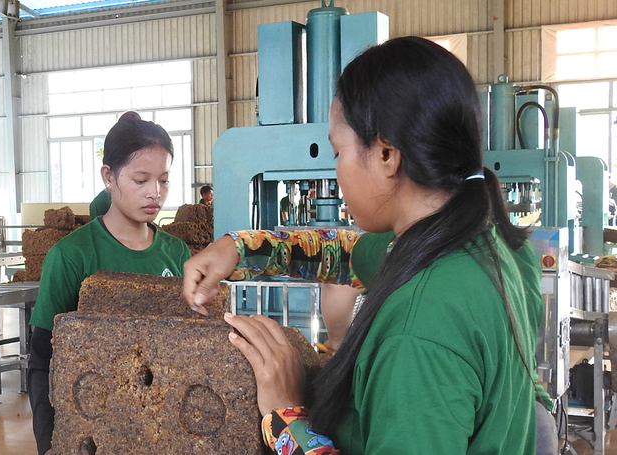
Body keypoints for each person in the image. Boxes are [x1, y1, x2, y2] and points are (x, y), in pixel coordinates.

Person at [183, 37, 544, 454]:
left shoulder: (420, 328)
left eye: (339, 151)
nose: (336, 172)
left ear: (388, 154)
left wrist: (284, 415)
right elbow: (346, 254)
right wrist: (239, 249)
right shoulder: (492, 247)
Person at [27, 112, 191, 455]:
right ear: (109, 177)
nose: (155, 193)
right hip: (97, 425)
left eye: (164, 180)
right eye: (140, 180)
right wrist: (49, 442)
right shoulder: (72, 255)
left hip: (161, 427)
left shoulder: (176, 253)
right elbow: (43, 360)